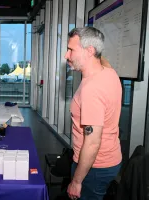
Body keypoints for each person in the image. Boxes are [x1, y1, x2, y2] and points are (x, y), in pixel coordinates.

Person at [64, 27, 122, 200]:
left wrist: (76, 181)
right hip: (110, 158)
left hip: (94, 167)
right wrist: (95, 48)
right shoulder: (109, 73)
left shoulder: (91, 90)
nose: (66, 55)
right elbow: (100, 60)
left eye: (71, 50)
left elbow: (92, 142)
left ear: (89, 51)